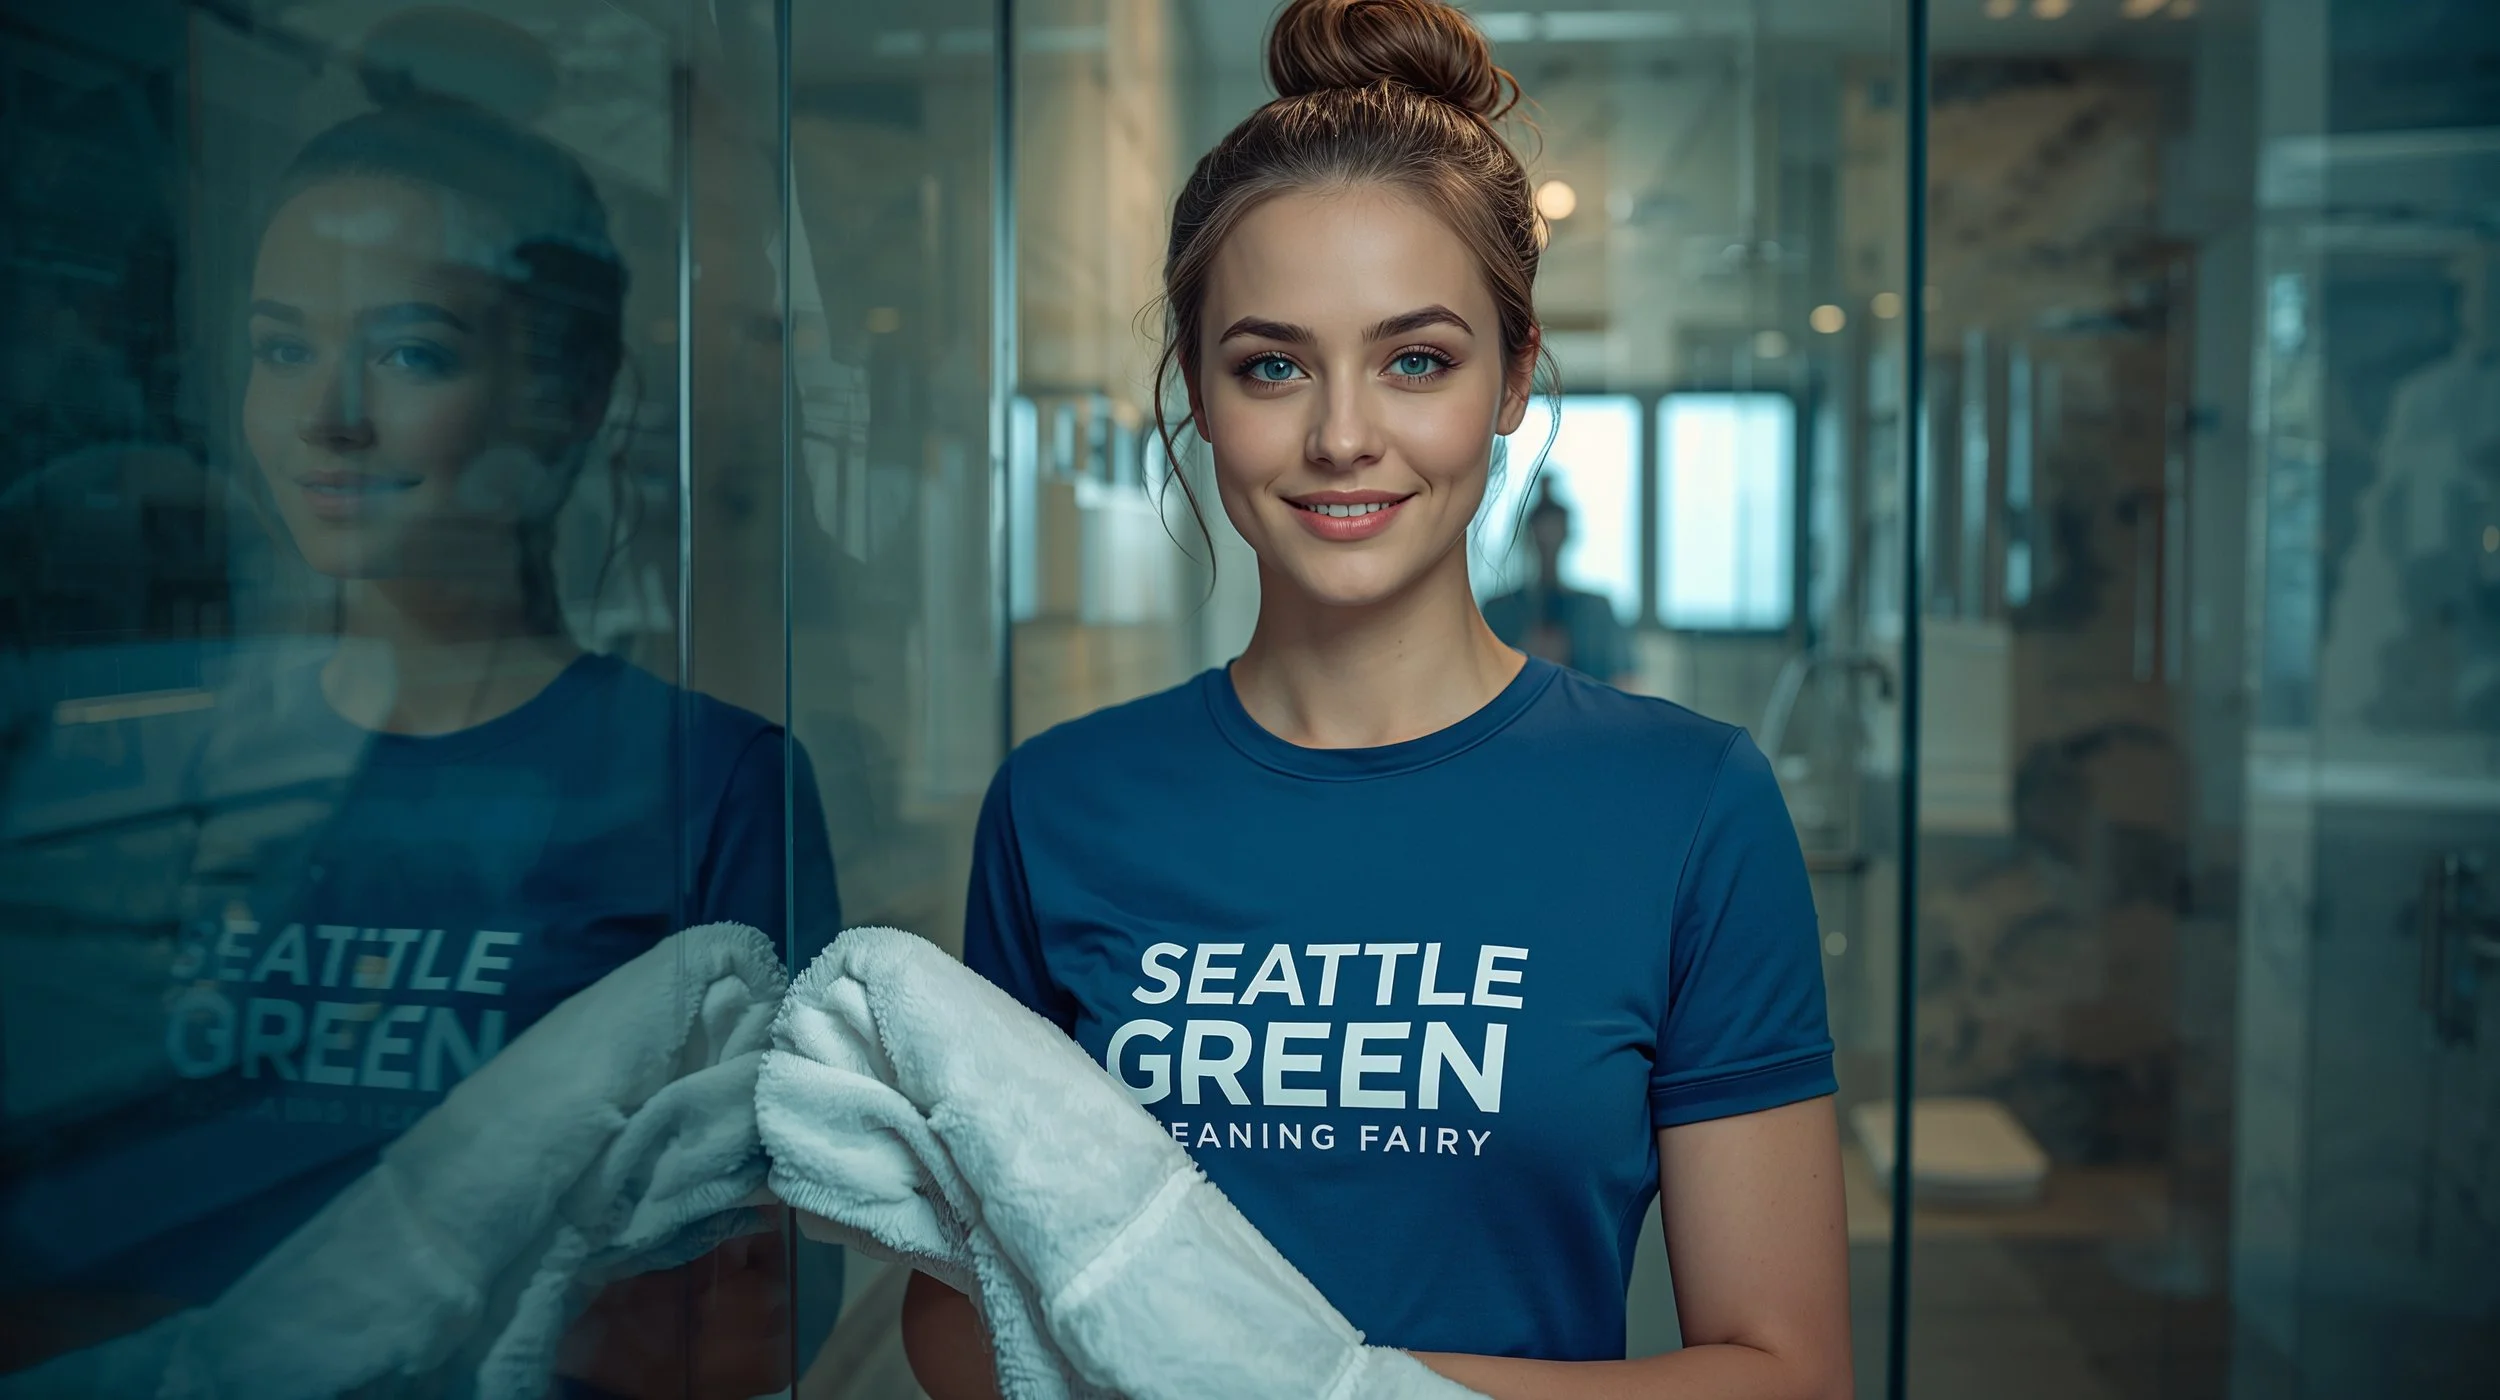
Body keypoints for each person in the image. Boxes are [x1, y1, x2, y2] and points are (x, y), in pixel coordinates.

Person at [904, 2, 1850, 1396]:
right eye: (1272, 364)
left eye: (1417, 359)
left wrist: (1335, 1387)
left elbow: (1785, 1374)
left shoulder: (1684, 808)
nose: (1343, 434)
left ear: (1514, 377)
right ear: (1203, 396)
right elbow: (951, 1326)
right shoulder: (1062, 805)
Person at [0, 29, 837, 1396]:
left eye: (409, 353)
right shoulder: (157, 762)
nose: (328, 418)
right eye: (281, 349)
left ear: (564, 399)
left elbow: (766, 1299)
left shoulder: (708, 777)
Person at [1481, 477, 1639, 688]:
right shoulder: (1499, 612)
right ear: (1530, 535)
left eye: (1554, 529)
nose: (1548, 539)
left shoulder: (1595, 611)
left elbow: (1624, 682)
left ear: (1565, 534)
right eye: (1542, 530)